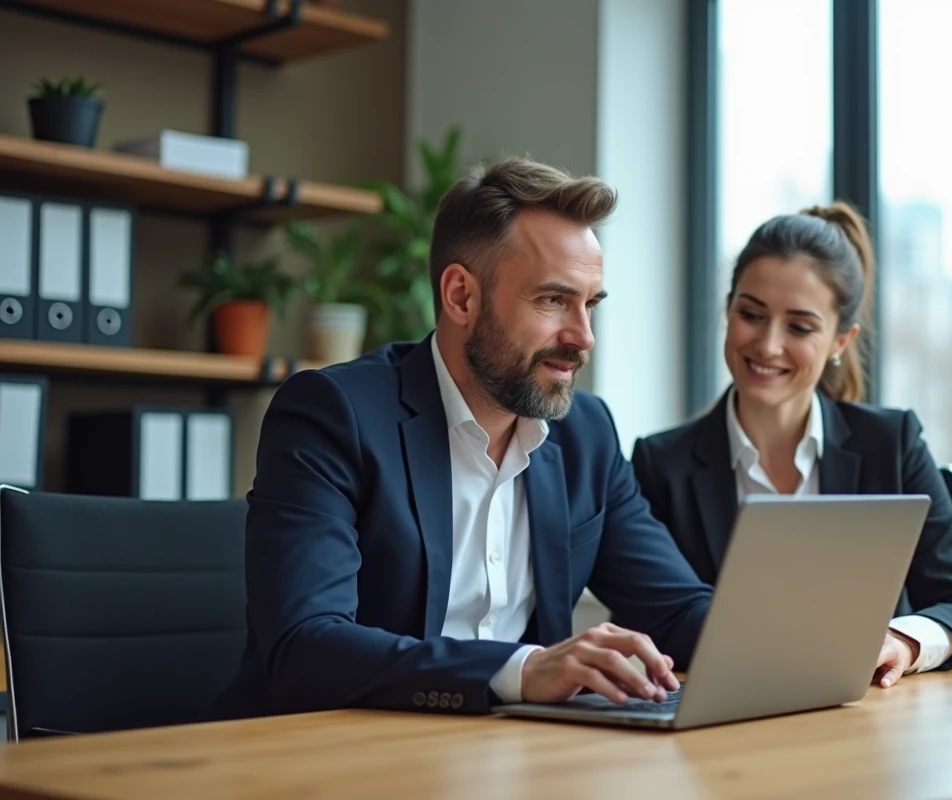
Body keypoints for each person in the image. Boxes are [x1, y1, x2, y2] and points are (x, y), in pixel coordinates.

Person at [202, 157, 711, 721]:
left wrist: (801, 639)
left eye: (590, 304)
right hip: (322, 755)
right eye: (552, 301)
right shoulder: (333, 415)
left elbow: (678, 610)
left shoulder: (587, 435)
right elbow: (304, 647)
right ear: (461, 296)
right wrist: (520, 670)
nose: (583, 337)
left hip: (513, 758)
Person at [625, 203, 952, 689]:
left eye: (800, 327)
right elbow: (649, 622)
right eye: (751, 314)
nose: (768, 345)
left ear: (841, 340)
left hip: (870, 727)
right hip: (723, 733)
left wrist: (900, 643)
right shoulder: (661, 464)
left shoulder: (891, 445)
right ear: (728, 310)